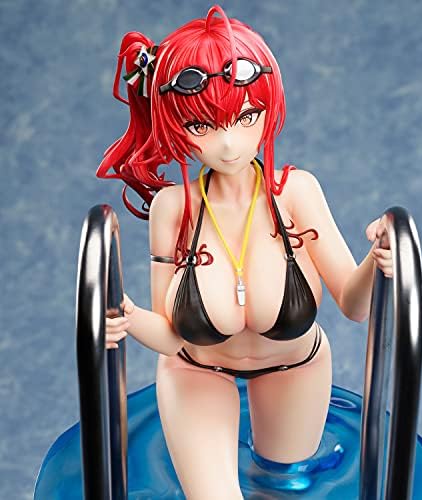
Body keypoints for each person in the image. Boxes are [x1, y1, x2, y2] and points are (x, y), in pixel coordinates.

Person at [100, 5, 392, 499]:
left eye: (246, 117)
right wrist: (123, 316)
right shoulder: (174, 208)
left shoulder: (296, 192)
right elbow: (170, 337)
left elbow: (354, 304)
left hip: (295, 366)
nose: (229, 144)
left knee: (285, 485)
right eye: (202, 126)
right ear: (175, 124)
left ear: (268, 108)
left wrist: (379, 258)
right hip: (198, 370)